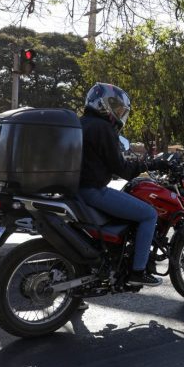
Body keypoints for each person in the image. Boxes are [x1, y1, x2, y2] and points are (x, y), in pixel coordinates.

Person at [77, 82, 168, 286]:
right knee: (149, 214)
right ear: (104, 104)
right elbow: (124, 170)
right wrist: (152, 163)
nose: (119, 114)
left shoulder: (80, 123)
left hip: (75, 191)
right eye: (116, 108)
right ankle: (138, 270)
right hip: (93, 191)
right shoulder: (103, 128)